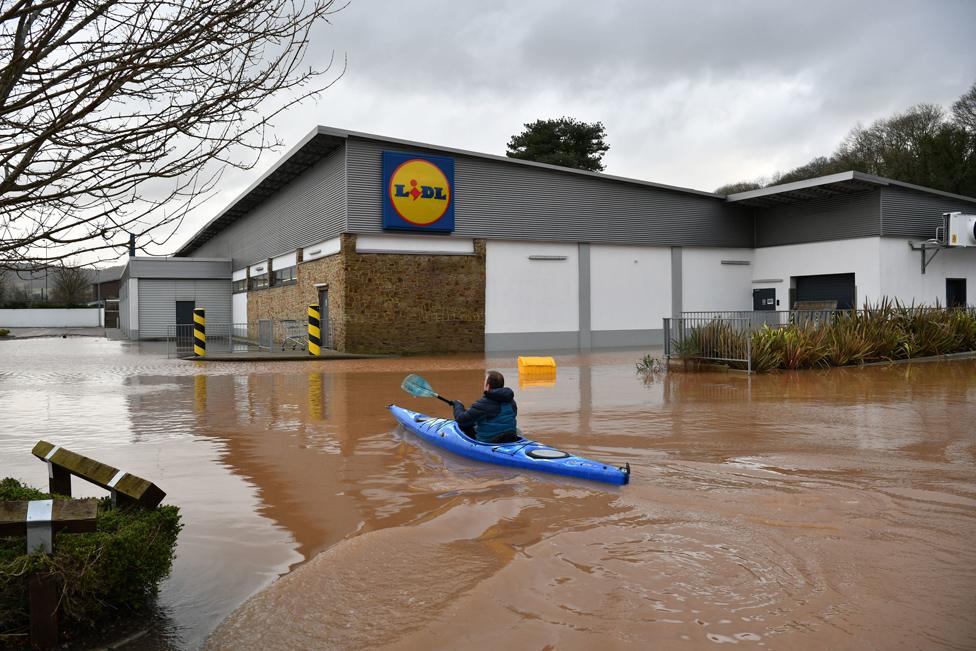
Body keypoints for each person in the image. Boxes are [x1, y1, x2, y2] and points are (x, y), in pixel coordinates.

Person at [452, 370, 520, 443]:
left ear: (487, 386)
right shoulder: (511, 401)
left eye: (485, 382)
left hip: (490, 442)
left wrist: (458, 405)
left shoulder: (483, 404)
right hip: (510, 438)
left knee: (464, 425)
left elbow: (461, 420)